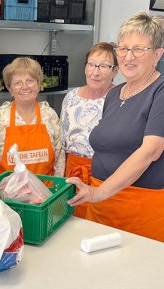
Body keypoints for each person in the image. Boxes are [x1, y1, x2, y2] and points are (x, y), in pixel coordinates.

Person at [65, 12, 164, 244]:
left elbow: (150, 151)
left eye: (139, 49)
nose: (128, 57)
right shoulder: (113, 94)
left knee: (137, 275)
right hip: (102, 204)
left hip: (143, 205)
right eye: (123, 49)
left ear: (157, 55)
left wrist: (100, 192)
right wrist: (98, 194)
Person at [0, 57, 65, 183]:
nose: (25, 87)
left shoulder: (50, 116)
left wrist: (57, 192)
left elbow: (60, 160)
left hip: (46, 195)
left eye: (30, 81)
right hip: (7, 196)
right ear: (10, 89)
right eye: (18, 83)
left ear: (39, 84)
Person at [60, 42, 117, 219]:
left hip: (107, 175)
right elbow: (63, 142)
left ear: (115, 71)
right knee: (72, 223)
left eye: (104, 66)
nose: (95, 72)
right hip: (73, 171)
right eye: (91, 64)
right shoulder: (71, 97)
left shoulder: (121, 99)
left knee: (102, 223)